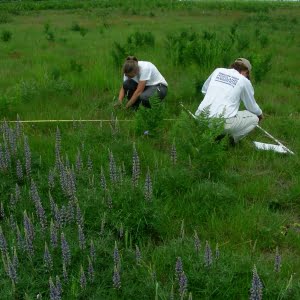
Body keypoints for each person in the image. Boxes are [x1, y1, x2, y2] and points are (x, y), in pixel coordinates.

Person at [195, 58, 263, 143]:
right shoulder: (243, 80)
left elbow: (204, 90)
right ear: (246, 71)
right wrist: (260, 114)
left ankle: (216, 136)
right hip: (221, 123)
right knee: (254, 118)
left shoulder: (218, 71)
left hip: (200, 117)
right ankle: (231, 140)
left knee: (229, 115)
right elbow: (251, 106)